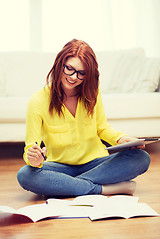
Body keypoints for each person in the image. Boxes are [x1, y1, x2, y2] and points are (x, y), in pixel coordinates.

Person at [17, 39, 150, 197]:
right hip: (59, 166)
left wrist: (122, 139)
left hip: (96, 164)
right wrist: (34, 159)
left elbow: (102, 128)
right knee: (25, 175)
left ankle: (64, 186)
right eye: (70, 69)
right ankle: (103, 189)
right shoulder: (37, 100)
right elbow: (30, 147)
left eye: (81, 73)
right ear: (60, 64)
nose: (74, 77)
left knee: (142, 158)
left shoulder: (92, 93)